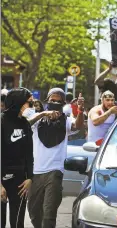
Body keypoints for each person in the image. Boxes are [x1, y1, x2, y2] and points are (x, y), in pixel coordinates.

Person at [26, 88, 85, 228]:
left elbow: (78, 125)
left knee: (49, 214)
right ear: (47, 101)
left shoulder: (66, 120)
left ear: (63, 103)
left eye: (59, 101)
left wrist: (81, 110)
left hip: (55, 171)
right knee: (34, 214)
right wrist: (43, 114)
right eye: (52, 100)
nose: (55, 103)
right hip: (34, 173)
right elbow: (24, 124)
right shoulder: (37, 117)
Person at [1, 88, 34, 228]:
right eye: (29, 103)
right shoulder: (2, 122)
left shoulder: (25, 124)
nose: (31, 107)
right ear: (18, 102)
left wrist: (30, 178)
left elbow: (29, 154)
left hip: (21, 180)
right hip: (2, 177)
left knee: (17, 223)